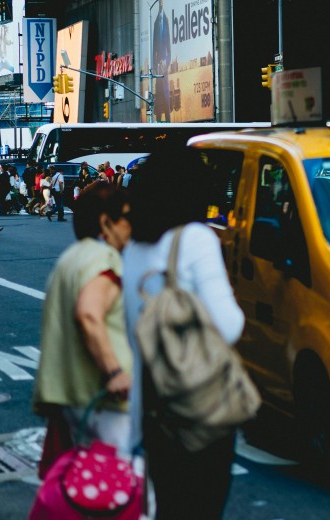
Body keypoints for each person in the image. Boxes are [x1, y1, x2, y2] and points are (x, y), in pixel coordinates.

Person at [122, 145, 243, 519]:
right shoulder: (195, 238)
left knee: (170, 507)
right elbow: (229, 324)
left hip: (154, 413)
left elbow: (132, 336)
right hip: (199, 409)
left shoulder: (133, 248)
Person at [31, 182, 135, 465]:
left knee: (90, 485)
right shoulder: (104, 258)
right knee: (122, 490)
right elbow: (88, 314)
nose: (132, 227)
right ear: (106, 222)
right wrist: (114, 372)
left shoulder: (70, 258)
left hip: (71, 397)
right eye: (128, 217)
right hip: (105, 399)